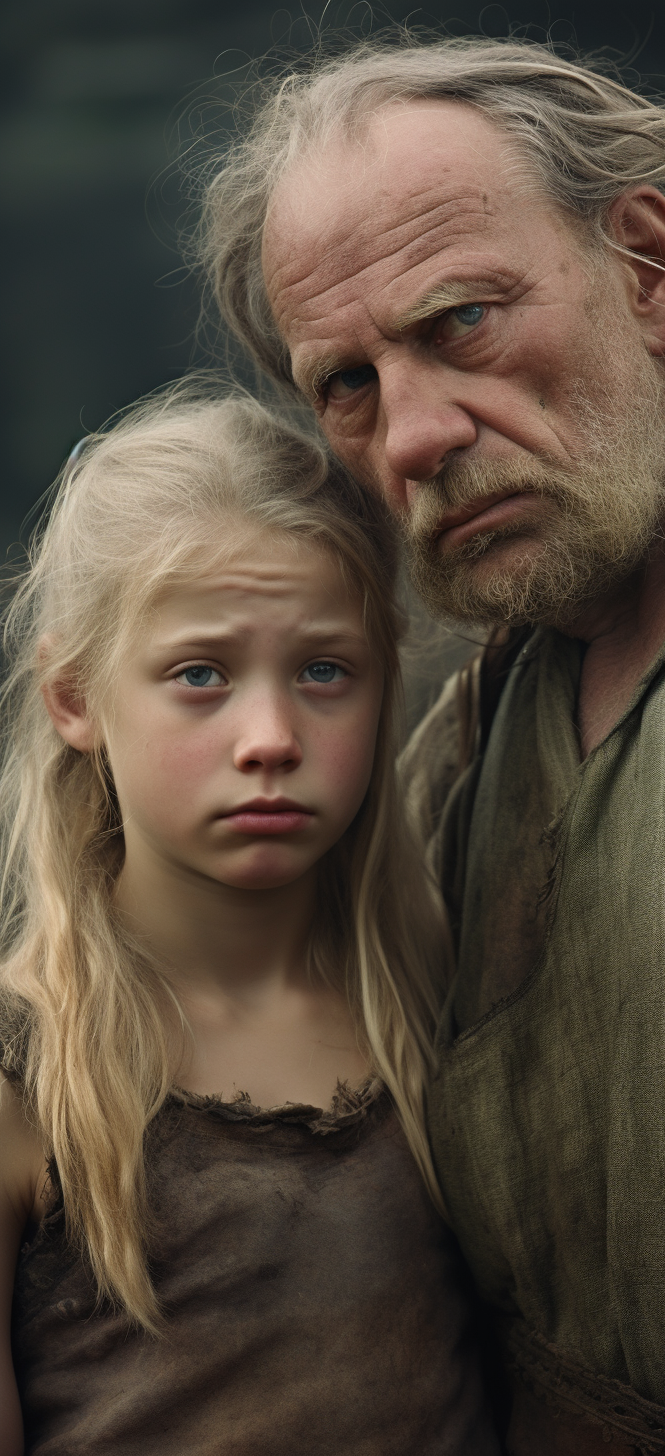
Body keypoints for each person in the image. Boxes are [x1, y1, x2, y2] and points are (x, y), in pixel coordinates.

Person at [196, 35, 665, 1456]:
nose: (412, 435)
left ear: (648, 267)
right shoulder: (464, 749)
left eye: (460, 321)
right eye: (346, 383)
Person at [0, 383, 502, 1455]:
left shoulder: (444, 1004)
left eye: (325, 670)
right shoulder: (28, 1081)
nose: (271, 735)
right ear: (76, 696)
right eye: (200, 675)